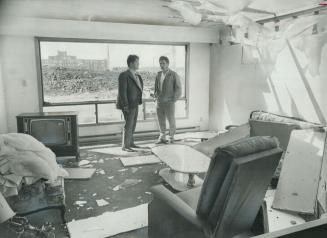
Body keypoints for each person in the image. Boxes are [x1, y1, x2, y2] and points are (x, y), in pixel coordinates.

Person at [116, 55, 143, 152]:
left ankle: (131, 143)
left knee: (133, 124)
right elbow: (122, 92)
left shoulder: (137, 75)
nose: (138, 64)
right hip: (128, 105)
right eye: (137, 62)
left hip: (135, 104)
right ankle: (126, 146)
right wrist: (125, 105)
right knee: (128, 125)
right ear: (131, 63)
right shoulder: (124, 75)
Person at [154, 56, 182, 144]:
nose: (161, 65)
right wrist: (155, 97)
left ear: (168, 64)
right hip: (159, 102)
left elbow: (178, 89)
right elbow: (156, 88)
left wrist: (173, 100)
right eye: (160, 63)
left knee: (171, 120)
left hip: (169, 102)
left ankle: (171, 137)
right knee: (161, 120)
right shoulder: (158, 74)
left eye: (163, 63)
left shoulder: (173, 74)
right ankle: (162, 137)